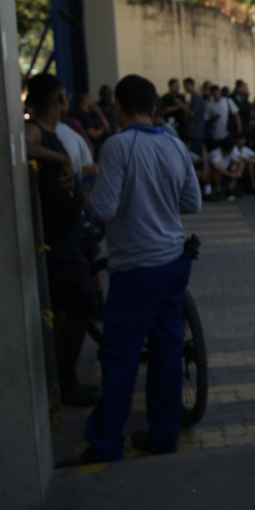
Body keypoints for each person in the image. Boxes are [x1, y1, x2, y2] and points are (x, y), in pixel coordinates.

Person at [74, 74, 201, 464]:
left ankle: (106, 442)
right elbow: (192, 202)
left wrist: (90, 181)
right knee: (166, 349)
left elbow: (104, 209)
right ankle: (164, 433)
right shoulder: (175, 145)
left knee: (120, 354)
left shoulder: (116, 146)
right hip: (174, 261)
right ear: (155, 108)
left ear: (119, 109)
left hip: (135, 266)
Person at [24, 74, 101, 408]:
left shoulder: (59, 132)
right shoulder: (38, 130)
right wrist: (61, 160)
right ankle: (65, 377)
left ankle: (61, 378)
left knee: (67, 307)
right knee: (84, 302)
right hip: (57, 239)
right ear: (58, 100)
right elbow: (23, 145)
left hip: (71, 231)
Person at [182, 77, 206, 157]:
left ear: (190, 85)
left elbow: (192, 114)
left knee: (196, 155)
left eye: (185, 86)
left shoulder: (196, 97)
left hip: (195, 131)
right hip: (195, 130)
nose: (185, 88)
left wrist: (181, 105)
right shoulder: (194, 97)